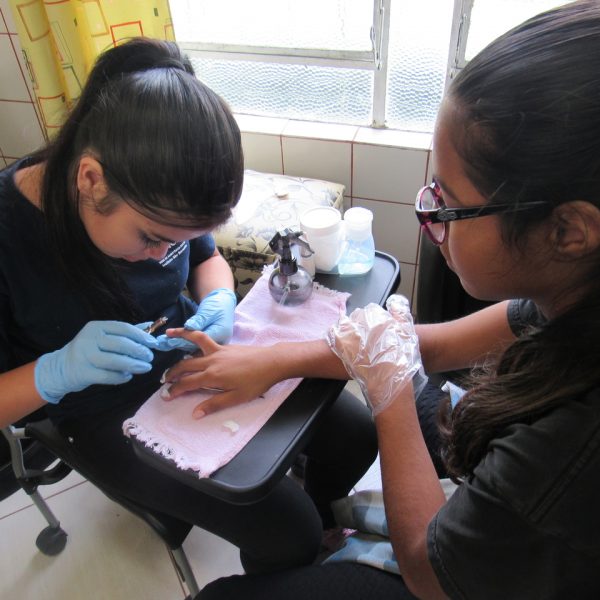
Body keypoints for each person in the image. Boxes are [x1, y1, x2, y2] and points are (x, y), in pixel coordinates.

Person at [159, 2, 600, 598]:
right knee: (392, 408)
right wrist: (274, 359)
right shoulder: (572, 292)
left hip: (449, 579)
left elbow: (428, 572)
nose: (429, 216)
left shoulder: (575, 446)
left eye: (449, 204)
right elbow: (433, 346)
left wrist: (389, 395)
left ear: (568, 231)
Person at [0, 37, 377, 573]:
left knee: (357, 437)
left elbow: (207, 258)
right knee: (289, 532)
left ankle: (322, 524)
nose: (162, 254)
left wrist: (218, 299)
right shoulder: (10, 237)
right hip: (101, 409)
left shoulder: (156, 188)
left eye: (173, 241)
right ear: (90, 180)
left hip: (189, 351)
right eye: (152, 238)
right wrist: (56, 371)